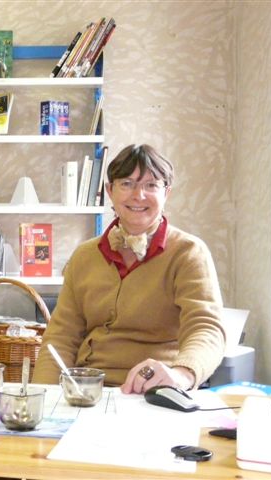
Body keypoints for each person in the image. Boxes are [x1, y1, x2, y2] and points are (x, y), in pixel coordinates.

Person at [33, 144, 225, 392]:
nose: (138, 195)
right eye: (127, 183)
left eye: (151, 185)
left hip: (155, 391)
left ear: (166, 193)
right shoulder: (84, 256)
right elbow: (60, 337)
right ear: (110, 191)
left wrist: (182, 375)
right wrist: (44, 397)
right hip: (87, 391)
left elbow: (206, 328)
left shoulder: (188, 253)